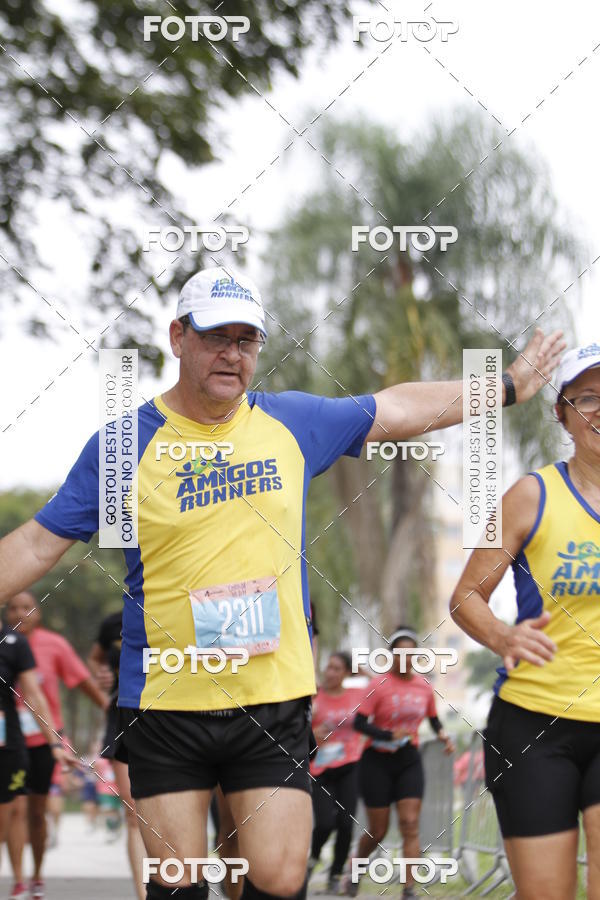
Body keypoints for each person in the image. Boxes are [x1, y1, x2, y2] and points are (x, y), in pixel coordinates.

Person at [0, 265, 563, 900]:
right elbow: (36, 543)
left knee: (278, 879)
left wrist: (508, 385)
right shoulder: (125, 444)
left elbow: (399, 408)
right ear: (178, 337)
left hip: (272, 699)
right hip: (165, 701)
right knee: (177, 885)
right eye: (217, 337)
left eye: (247, 341)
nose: (232, 354)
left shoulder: (289, 423)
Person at [450, 343, 600, 900]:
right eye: (587, 398)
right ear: (562, 412)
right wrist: (502, 634)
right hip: (537, 725)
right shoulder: (528, 496)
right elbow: (465, 595)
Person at [4, 592, 108, 900]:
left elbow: (81, 680)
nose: (19, 613)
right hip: (10, 740)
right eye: (12, 608)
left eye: (26, 607)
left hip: (43, 741)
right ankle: (18, 879)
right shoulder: (5, 644)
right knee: (16, 809)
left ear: (39, 612)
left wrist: (108, 708)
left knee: (37, 812)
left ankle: (36, 874)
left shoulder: (54, 645)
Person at [347, 627, 454, 899]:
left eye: (411, 653)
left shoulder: (423, 686)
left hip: (408, 760)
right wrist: (387, 734)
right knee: (378, 830)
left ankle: (408, 890)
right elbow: (358, 723)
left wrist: (443, 735)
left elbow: (433, 718)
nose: (406, 658)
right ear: (392, 656)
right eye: (400, 653)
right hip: (376, 762)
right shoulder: (378, 685)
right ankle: (356, 866)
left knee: (409, 823)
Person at [0, 619, 76, 900]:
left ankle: (29, 878)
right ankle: (20, 879)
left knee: (21, 813)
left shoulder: (14, 643)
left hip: (9, 744)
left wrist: (54, 742)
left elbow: (33, 695)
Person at [88, 609, 146, 900]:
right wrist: (103, 684)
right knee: (134, 814)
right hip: (123, 714)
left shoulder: (180, 604)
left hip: (174, 714)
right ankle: (144, 894)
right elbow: (95, 659)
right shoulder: (113, 621)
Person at [307, 652, 366, 894]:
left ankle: (335, 875)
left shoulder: (356, 695)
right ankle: (313, 858)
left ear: (346, 673)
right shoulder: (314, 696)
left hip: (349, 765)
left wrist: (362, 670)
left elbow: (381, 687)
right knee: (324, 823)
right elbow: (298, 727)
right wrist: (313, 733)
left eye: (337, 669)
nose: (330, 672)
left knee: (345, 823)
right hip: (319, 768)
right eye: (328, 667)